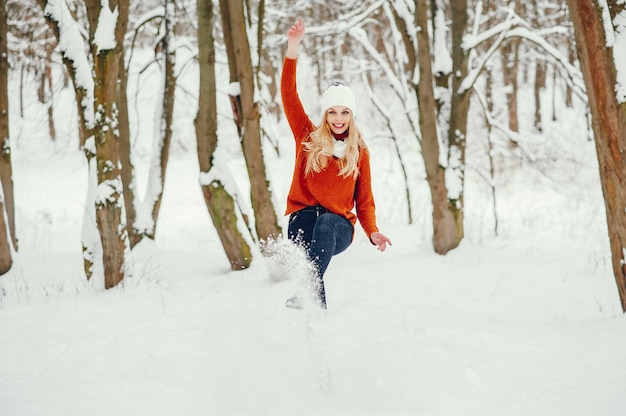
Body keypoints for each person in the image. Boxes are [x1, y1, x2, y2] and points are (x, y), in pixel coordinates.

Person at [280, 17, 392, 310]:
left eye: (344, 112)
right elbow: (289, 96)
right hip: (302, 222)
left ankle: (306, 291)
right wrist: (293, 48)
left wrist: (373, 230)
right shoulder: (307, 138)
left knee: (327, 223)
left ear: (351, 115)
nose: (339, 118)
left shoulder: (359, 153)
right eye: (333, 112)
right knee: (312, 251)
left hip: (339, 227)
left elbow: (364, 201)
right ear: (325, 115)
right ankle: (315, 324)